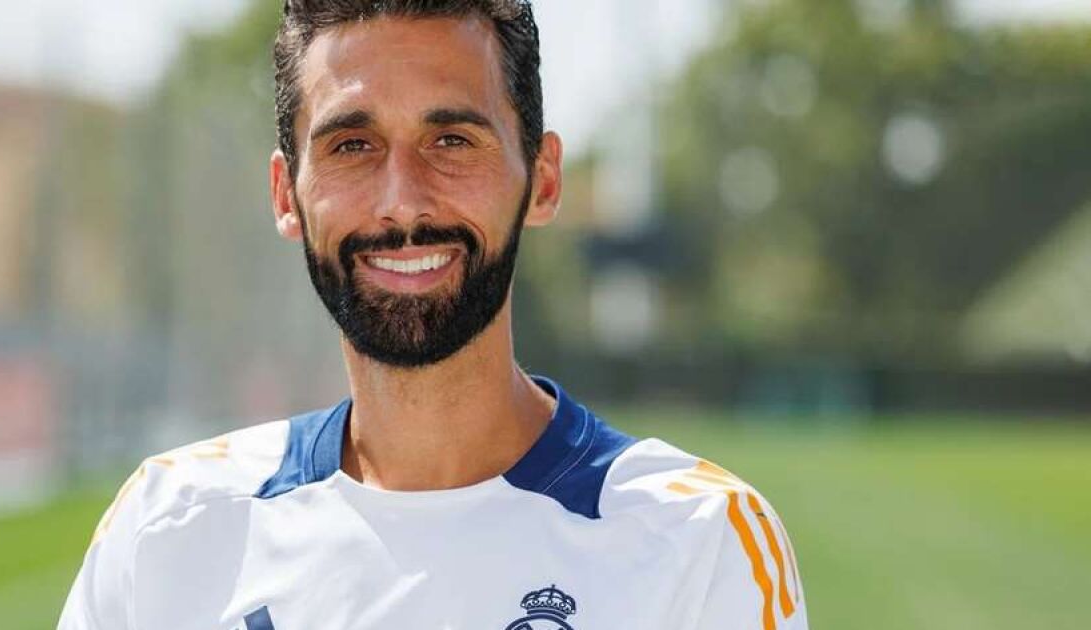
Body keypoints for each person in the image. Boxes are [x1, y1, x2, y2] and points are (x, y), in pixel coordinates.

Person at [57, 1, 809, 628]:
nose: (403, 203)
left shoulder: (695, 542)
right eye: (353, 145)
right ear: (287, 195)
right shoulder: (169, 531)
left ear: (543, 179)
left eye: (451, 140)